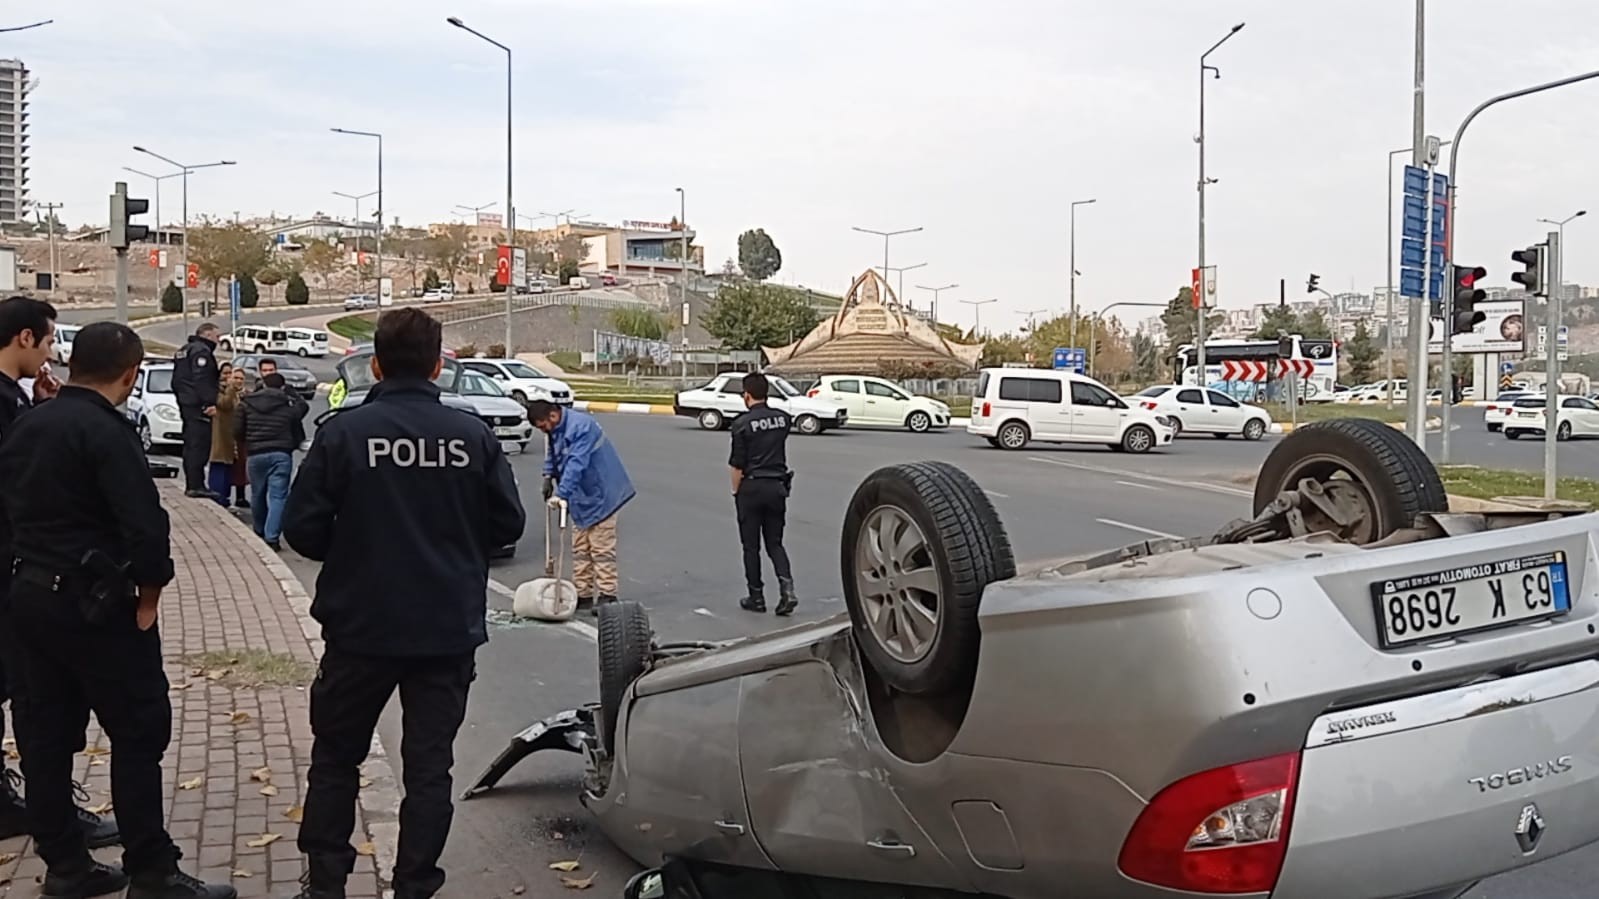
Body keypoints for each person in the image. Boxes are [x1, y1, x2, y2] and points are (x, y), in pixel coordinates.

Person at [282, 308, 524, 899]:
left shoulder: (343, 433)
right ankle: (415, 885)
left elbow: (302, 530)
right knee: (428, 769)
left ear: (378, 364)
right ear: (440, 365)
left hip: (360, 627)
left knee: (336, 758)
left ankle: (327, 885)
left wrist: (360, 543)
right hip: (445, 630)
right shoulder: (473, 437)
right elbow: (506, 523)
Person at [0, 321, 233, 899]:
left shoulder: (27, 422)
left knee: (44, 737)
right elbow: (144, 525)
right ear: (130, 375)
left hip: (27, 597)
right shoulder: (108, 432)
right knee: (136, 733)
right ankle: (151, 869)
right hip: (96, 605)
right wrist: (150, 593)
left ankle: (66, 866)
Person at [0, 298, 120, 853]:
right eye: (48, 343)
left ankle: (26, 810)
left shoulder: (17, 404)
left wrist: (38, 410)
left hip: (20, 572)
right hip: (24, 573)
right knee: (43, 709)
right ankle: (59, 832)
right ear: (24, 338)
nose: (51, 355)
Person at [529, 400, 635, 613]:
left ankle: (607, 594)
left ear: (553, 415)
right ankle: (583, 593)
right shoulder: (555, 429)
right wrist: (548, 475)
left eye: (543, 426)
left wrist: (561, 493)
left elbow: (576, 463)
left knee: (601, 547)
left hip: (601, 492)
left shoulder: (581, 427)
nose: (543, 431)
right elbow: (554, 453)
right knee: (580, 548)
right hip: (580, 497)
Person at [728, 373, 797, 616]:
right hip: (777, 487)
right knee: (775, 543)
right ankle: (787, 589)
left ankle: (756, 597)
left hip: (751, 487)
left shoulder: (741, 424)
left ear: (746, 395)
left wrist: (736, 493)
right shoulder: (783, 419)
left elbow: (737, 465)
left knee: (751, 547)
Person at [234, 372, 306, 551]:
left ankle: (258, 530)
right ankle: (272, 537)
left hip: (255, 454)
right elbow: (302, 409)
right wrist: (293, 393)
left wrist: (248, 442)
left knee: (257, 493)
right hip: (281, 453)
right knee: (278, 496)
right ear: (282, 387)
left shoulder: (246, 404)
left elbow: (236, 430)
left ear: (263, 384)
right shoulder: (287, 404)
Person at [170, 323, 221, 498]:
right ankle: (196, 485)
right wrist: (208, 403)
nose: (219, 340)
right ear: (207, 335)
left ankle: (193, 483)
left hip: (186, 403)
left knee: (191, 443)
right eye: (217, 336)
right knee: (199, 445)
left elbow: (176, 381)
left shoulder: (183, 351)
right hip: (197, 405)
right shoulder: (201, 352)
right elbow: (202, 380)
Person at [207, 365, 245, 508]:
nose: (231, 378)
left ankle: (225, 498)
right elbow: (225, 404)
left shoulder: (237, 393)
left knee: (229, 468)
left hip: (231, 436)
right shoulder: (218, 390)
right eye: (227, 374)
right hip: (220, 434)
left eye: (239, 378)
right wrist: (230, 388)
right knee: (219, 466)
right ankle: (217, 497)